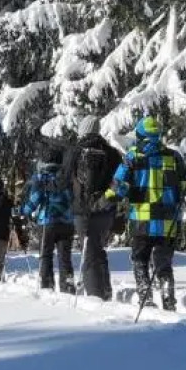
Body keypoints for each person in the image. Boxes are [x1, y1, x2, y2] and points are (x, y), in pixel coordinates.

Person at [107, 116, 186, 313]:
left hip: (141, 219)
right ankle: (168, 300)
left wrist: (113, 195)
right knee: (164, 264)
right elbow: (184, 185)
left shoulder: (132, 157)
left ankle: (146, 297)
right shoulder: (174, 157)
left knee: (140, 259)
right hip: (168, 221)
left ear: (140, 135)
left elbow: (117, 187)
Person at [70, 115, 124, 301]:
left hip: (82, 210)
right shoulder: (112, 153)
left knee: (89, 253)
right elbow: (120, 180)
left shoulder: (75, 152)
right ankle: (105, 289)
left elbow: (64, 180)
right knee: (98, 249)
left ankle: (95, 296)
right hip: (106, 209)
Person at [22, 151, 76, 293]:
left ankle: (47, 285)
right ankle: (68, 286)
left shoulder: (40, 177)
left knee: (46, 255)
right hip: (66, 221)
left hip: (47, 221)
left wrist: (25, 211)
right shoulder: (66, 177)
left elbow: (35, 198)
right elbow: (72, 197)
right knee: (65, 257)